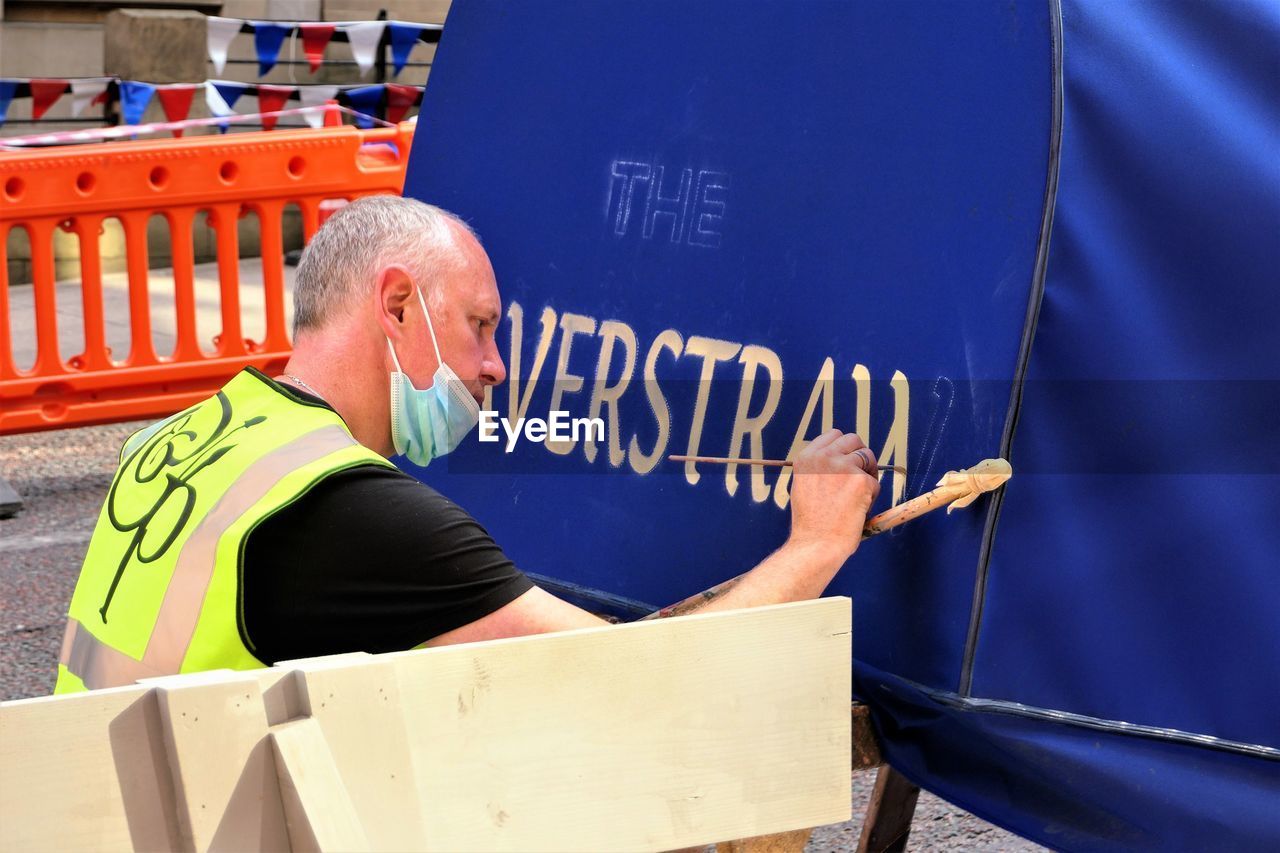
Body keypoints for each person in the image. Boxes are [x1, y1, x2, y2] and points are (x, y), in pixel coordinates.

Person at [54, 196, 880, 694]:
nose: (496, 366)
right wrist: (816, 541)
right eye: (480, 325)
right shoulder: (350, 512)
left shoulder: (182, 439)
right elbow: (651, 679)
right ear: (400, 306)